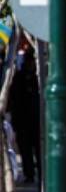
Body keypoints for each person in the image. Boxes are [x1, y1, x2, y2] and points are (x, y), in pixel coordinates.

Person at [10, 46, 40, 184]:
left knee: (39, 150)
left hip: (36, 121)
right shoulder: (19, 79)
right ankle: (30, 174)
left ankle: (40, 174)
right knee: (26, 150)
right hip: (24, 121)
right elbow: (14, 100)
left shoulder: (37, 79)